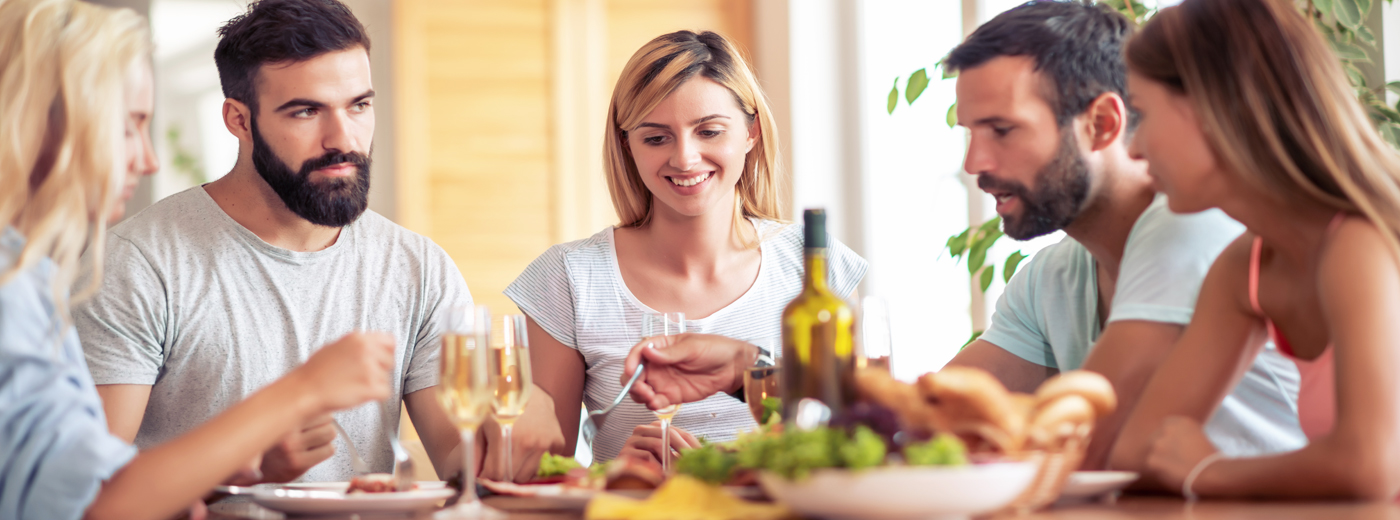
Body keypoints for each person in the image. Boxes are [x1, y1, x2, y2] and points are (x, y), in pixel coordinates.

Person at [624, 1, 1303, 470]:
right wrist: (759, 372)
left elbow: (1095, 437)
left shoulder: (1189, 227)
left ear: (1100, 124)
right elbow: (921, 424)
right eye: (969, 134)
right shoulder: (1050, 278)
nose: (975, 164)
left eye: (1001, 131)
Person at [73, 0, 561, 484]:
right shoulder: (138, 263)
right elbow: (92, 491)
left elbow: (464, 463)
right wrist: (247, 471)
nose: (342, 138)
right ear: (238, 120)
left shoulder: (418, 267)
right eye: (306, 111)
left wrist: (514, 424)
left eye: (360, 105)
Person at [0, 1, 396, 519]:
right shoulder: (25, 290)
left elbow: (79, 485)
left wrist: (238, 476)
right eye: (128, 125)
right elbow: (96, 506)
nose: (148, 160)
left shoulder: (31, 280)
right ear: (41, 124)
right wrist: (303, 390)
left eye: (359, 105)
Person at [506, 30, 867, 466]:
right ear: (628, 146)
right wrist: (614, 475)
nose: (685, 158)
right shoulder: (567, 277)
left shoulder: (812, 265)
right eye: (656, 138)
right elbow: (540, 472)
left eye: (709, 131)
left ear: (751, 131)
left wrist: (734, 469)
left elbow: (857, 442)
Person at [1110, 0, 1400, 499]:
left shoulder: (1358, 240)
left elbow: (1370, 467)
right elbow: (1137, 453)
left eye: (1142, 113)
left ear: (1214, 108)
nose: (1133, 149)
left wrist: (1207, 470)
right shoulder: (1247, 269)